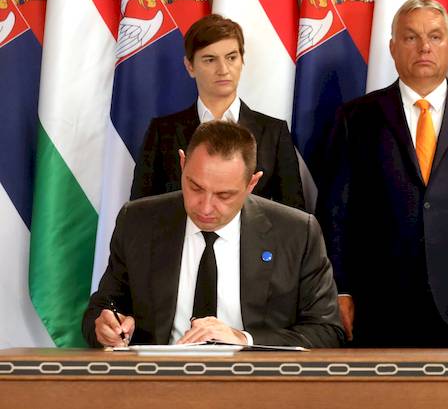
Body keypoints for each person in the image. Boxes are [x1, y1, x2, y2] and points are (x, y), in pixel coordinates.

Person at [315, 0, 448, 347]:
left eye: (435, 36)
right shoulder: (356, 118)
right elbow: (334, 215)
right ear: (393, 47)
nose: (424, 47)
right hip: (378, 307)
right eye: (411, 37)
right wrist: (340, 290)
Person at [83, 120, 342, 348]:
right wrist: (107, 327)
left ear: (252, 183)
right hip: (160, 380)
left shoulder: (297, 233)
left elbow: (327, 330)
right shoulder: (138, 221)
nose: (205, 207)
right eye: (195, 187)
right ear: (183, 164)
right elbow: (102, 308)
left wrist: (243, 339)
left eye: (224, 195)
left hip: (254, 381)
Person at [130, 14, 305, 211]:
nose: (223, 69)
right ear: (190, 66)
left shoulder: (274, 132)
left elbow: (294, 215)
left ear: (242, 60)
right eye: (210, 60)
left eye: (231, 57)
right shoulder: (162, 132)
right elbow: (140, 211)